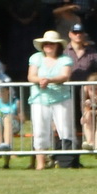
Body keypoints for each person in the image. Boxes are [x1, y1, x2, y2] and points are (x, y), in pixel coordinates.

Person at [27, 30, 76, 170]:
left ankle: (66, 162)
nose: (48, 46)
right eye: (46, 43)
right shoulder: (35, 58)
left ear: (58, 45)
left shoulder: (65, 59)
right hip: (39, 98)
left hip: (61, 98)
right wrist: (40, 80)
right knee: (40, 130)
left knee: (65, 129)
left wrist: (49, 80)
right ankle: (40, 163)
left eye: (52, 43)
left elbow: (65, 76)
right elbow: (31, 76)